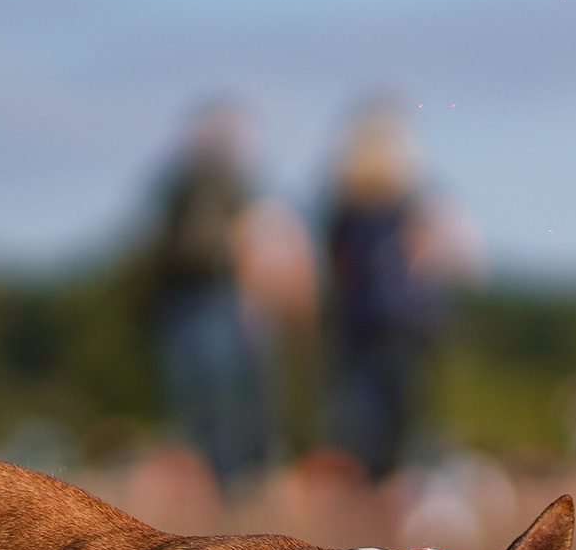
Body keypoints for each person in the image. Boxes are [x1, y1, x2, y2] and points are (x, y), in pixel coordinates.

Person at [142, 100, 312, 499]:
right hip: (192, 299)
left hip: (217, 298)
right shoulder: (185, 184)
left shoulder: (233, 184)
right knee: (204, 399)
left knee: (226, 398)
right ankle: (221, 478)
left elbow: (251, 242)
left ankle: (234, 479)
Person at [318, 99, 478, 482]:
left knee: (377, 408)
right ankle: (387, 477)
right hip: (393, 321)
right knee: (390, 408)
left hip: (374, 320)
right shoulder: (399, 203)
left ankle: (383, 477)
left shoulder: (357, 205)